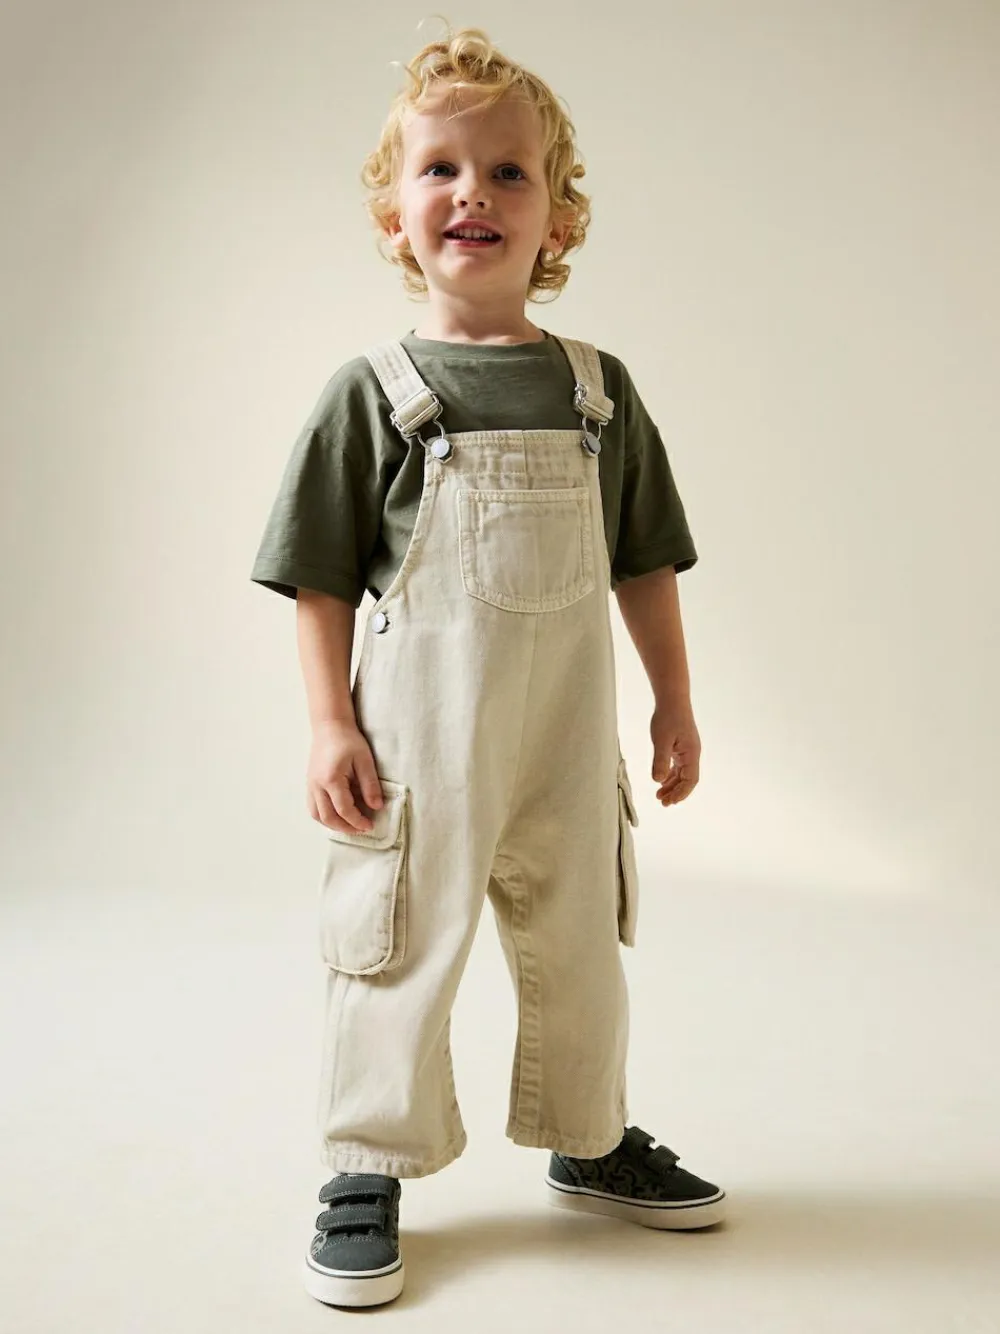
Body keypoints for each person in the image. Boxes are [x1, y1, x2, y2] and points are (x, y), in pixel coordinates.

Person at [250, 23, 726, 1310]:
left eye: (510, 172)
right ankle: (367, 1161)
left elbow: (644, 559)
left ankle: (588, 1131)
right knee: (398, 937)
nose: (475, 193)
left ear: (557, 219)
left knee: (581, 937)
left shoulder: (597, 390)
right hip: (420, 741)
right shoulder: (374, 391)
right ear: (394, 217)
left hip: (566, 736)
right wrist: (328, 723)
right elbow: (319, 572)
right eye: (442, 170)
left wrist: (674, 700)